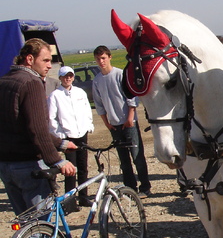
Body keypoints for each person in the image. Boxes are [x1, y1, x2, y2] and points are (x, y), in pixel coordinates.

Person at [0, 39, 77, 215]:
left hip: (5, 165)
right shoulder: (31, 82)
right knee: (40, 224)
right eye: (46, 60)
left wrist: (61, 143)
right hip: (28, 165)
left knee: (25, 222)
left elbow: (23, 125)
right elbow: (37, 129)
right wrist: (57, 160)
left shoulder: (4, 81)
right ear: (29, 59)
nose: (50, 65)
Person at [92, 45, 151, 198]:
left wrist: (130, 118)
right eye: (98, 59)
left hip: (128, 123)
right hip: (114, 125)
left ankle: (145, 187)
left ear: (109, 57)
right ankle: (130, 188)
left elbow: (131, 97)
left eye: (103, 58)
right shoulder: (97, 80)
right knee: (124, 160)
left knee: (137, 156)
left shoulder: (120, 74)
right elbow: (99, 104)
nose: (101, 61)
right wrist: (106, 123)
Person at [48, 66, 94, 207]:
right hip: (68, 136)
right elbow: (52, 118)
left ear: (73, 77)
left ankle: (84, 196)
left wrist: (89, 125)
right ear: (60, 78)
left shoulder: (80, 92)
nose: (68, 78)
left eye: (70, 76)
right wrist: (60, 135)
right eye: (64, 76)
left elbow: (87, 109)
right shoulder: (55, 95)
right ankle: (69, 199)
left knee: (83, 166)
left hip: (82, 133)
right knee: (70, 168)